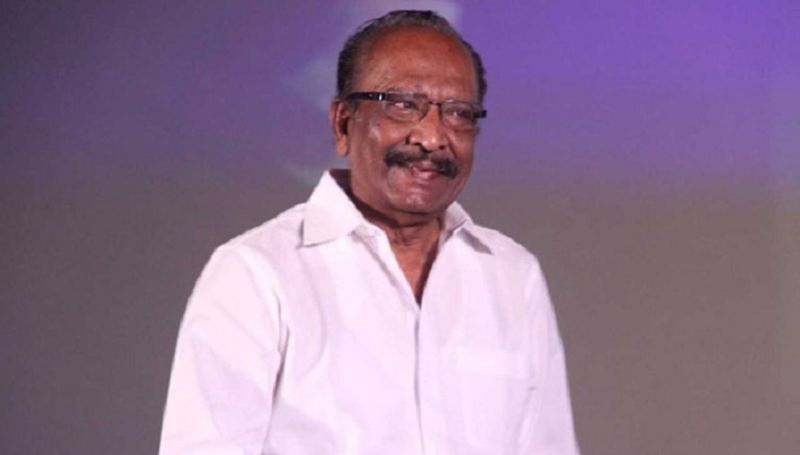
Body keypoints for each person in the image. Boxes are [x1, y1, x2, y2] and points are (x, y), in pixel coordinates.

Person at [159, 10, 580, 454]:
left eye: (459, 113)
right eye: (403, 105)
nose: (433, 138)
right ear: (343, 123)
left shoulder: (512, 275)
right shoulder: (256, 273)